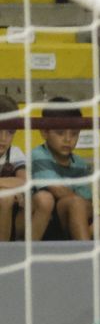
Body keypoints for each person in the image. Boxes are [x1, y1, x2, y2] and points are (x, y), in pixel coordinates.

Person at [28, 102, 92, 242]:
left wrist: (82, 207)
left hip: (72, 218)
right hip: (44, 220)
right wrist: (80, 204)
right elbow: (57, 191)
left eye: (74, 134)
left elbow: (88, 205)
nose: (68, 139)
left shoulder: (80, 164)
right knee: (75, 202)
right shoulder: (38, 154)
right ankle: (87, 258)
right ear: (44, 132)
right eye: (60, 133)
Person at [0, 96, 25, 243]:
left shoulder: (14, 153)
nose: (3, 138)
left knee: (6, 197)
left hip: (10, 215)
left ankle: (3, 250)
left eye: (10, 132)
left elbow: (23, 181)